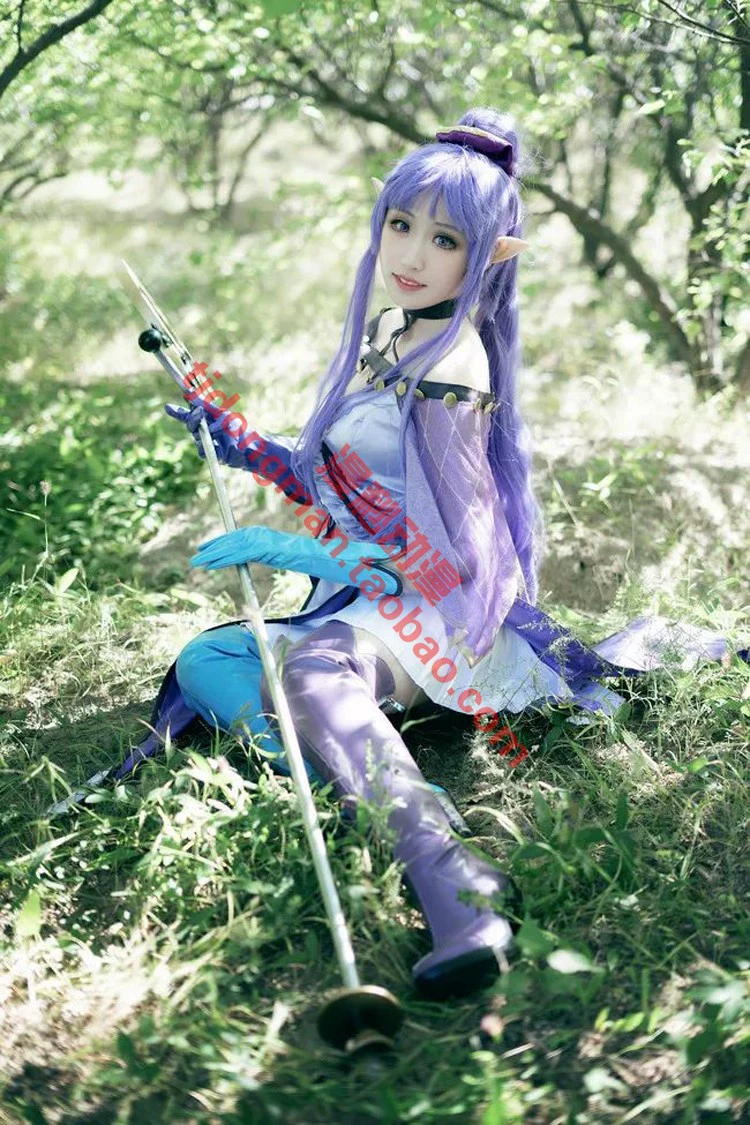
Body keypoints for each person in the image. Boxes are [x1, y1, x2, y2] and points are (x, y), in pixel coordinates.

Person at [125, 107, 747, 1001]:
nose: (412, 253)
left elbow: (454, 558)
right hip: (374, 601)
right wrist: (242, 445)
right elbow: (345, 485)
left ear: (491, 255)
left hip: (446, 612)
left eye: (445, 238)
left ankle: (457, 882)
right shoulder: (391, 331)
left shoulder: (455, 366)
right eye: (401, 223)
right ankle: (346, 778)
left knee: (313, 668)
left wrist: (308, 555)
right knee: (209, 659)